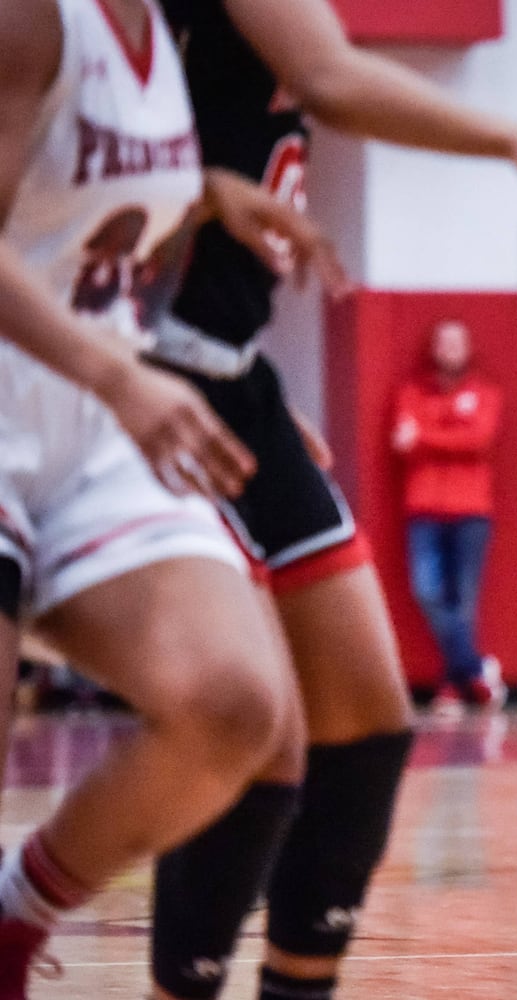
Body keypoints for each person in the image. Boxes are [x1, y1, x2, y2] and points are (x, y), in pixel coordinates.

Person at [143, 2, 517, 998]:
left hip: (235, 380)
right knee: (255, 734)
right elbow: (328, 79)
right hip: (144, 374)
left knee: (366, 732)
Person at [0, 0, 314, 993]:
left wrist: (212, 199)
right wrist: (120, 374)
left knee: (232, 706)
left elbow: (95, 231)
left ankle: (13, 916)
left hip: (89, 418)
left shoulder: (160, 36)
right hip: (50, 388)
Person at [392, 318, 505, 717]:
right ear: (434, 347)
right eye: (444, 342)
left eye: (458, 342)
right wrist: (447, 434)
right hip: (423, 507)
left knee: (462, 600)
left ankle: (451, 687)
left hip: (472, 509)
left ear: (468, 347)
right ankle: (476, 669)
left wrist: (424, 436)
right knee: (427, 590)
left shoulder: (485, 393)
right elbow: (400, 443)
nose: (450, 349)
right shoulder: (411, 392)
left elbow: (479, 441)